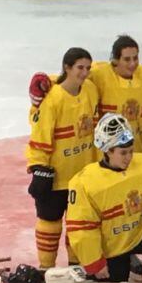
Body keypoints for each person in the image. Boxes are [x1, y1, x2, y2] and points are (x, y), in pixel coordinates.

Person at [66, 114, 142, 282]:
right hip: (112, 247)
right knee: (114, 281)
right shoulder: (84, 183)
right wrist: (94, 262)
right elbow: (82, 229)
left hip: (141, 231)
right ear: (107, 150)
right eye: (123, 152)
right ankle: (124, 262)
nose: (129, 157)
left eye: (131, 151)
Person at [26, 47, 99, 269]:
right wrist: (38, 167)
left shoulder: (91, 90)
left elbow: (105, 67)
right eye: (79, 67)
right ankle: (45, 269)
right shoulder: (53, 99)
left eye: (87, 67)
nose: (85, 72)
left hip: (82, 177)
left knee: (79, 226)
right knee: (50, 223)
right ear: (67, 68)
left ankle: (76, 268)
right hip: (57, 176)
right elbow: (40, 136)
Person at [89, 35, 142, 154]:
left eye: (135, 58)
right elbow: (72, 78)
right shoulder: (100, 76)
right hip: (110, 154)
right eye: (127, 59)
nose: (133, 63)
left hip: (140, 150)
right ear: (115, 60)